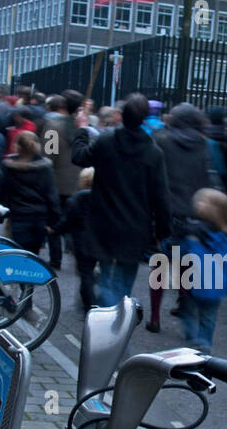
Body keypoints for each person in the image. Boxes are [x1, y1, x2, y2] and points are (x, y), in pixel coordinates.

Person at [71, 93, 170, 307]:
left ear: (122, 116)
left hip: (104, 221)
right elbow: (160, 196)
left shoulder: (106, 142)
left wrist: (81, 128)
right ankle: (115, 322)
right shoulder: (153, 153)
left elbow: (79, 157)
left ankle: (105, 316)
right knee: (123, 283)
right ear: (144, 118)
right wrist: (163, 232)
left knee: (106, 276)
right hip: (135, 227)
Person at [148, 102, 211, 331]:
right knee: (187, 266)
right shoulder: (204, 145)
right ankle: (185, 307)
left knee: (160, 266)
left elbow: (152, 175)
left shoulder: (161, 139)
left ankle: (155, 317)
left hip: (167, 212)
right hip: (195, 214)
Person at [178, 189, 227, 354]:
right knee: (208, 318)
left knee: (187, 312)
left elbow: (182, 254)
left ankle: (192, 340)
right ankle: (204, 348)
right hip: (217, 287)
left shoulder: (192, 232)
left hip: (193, 284)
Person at [0, 130, 59, 259]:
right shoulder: (45, 167)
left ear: (17, 146)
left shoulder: (9, 166)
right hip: (39, 216)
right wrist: (53, 221)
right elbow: (51, 195)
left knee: (17, 253)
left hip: (18, 215)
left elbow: (2, 190)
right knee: (32, 255)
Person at [43, 94, 82, 271]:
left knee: (53, 222)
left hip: (57, 181)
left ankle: (55, 260)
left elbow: (48, 156)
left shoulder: (53, 127)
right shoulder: (82, 127)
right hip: (78, 182)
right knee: (76, 222)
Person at [54, 167, 99, 311]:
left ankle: (89, 305)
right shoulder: (103, 199)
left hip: (81, 242)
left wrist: (54, 230)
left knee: (85, 274)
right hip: (98, 241)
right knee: (90, 272)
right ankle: (90, 299)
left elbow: (68, 220)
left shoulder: (77, 198)